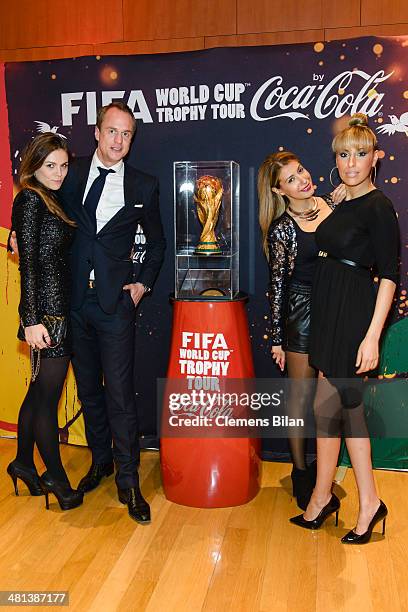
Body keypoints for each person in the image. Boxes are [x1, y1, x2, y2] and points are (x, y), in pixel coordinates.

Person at [11, 101, 166, 524]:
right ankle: (100, 462)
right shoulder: (67, 172)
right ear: (96, 133)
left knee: (118, 394)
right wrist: (15, 238)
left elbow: (157, 244)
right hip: (71, 305)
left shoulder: (143, 185)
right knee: (88, 392)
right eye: (112, 131)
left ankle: (129, 481)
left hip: (115, 306)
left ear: (132, 140)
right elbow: (35, 210)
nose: (118, 141)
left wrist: (142, 284)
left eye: (127, 134)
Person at [290, 114, 399, 544]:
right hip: (329, 311)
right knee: (327, 409)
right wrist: (340, 200)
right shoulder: (345, 201)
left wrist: (372, 335)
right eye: (343, 154)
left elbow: (389, 275)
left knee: (347, 411)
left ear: (375, 158)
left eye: (359, 154)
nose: (351, 162)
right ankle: (322, 496)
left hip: (353, 314)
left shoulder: (379, 206)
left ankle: (367, 501)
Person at [258, 151, 344, 509]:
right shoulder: (282, 229)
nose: (302, 180)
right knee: (300, 400)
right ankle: (300, 472)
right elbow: (277, 284)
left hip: (335, 309)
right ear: (279, 191)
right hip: (302, 312)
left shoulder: (331, 206)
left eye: (302, 170)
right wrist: (278, 338)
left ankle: (323, 474)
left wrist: (346, 199)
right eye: (291, 179)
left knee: (330, 400)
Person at [7, 133, 84, 511]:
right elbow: (30, 266)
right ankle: (53, 473)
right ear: (34, 166)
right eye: (49, 165)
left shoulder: (49, 199)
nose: (57, 172)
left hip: (56, 310)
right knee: (47, 400)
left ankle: (22, 463)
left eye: (63, 165)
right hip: (46, 316)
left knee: (37, 394)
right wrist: (32, 319)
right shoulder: (29, 200)